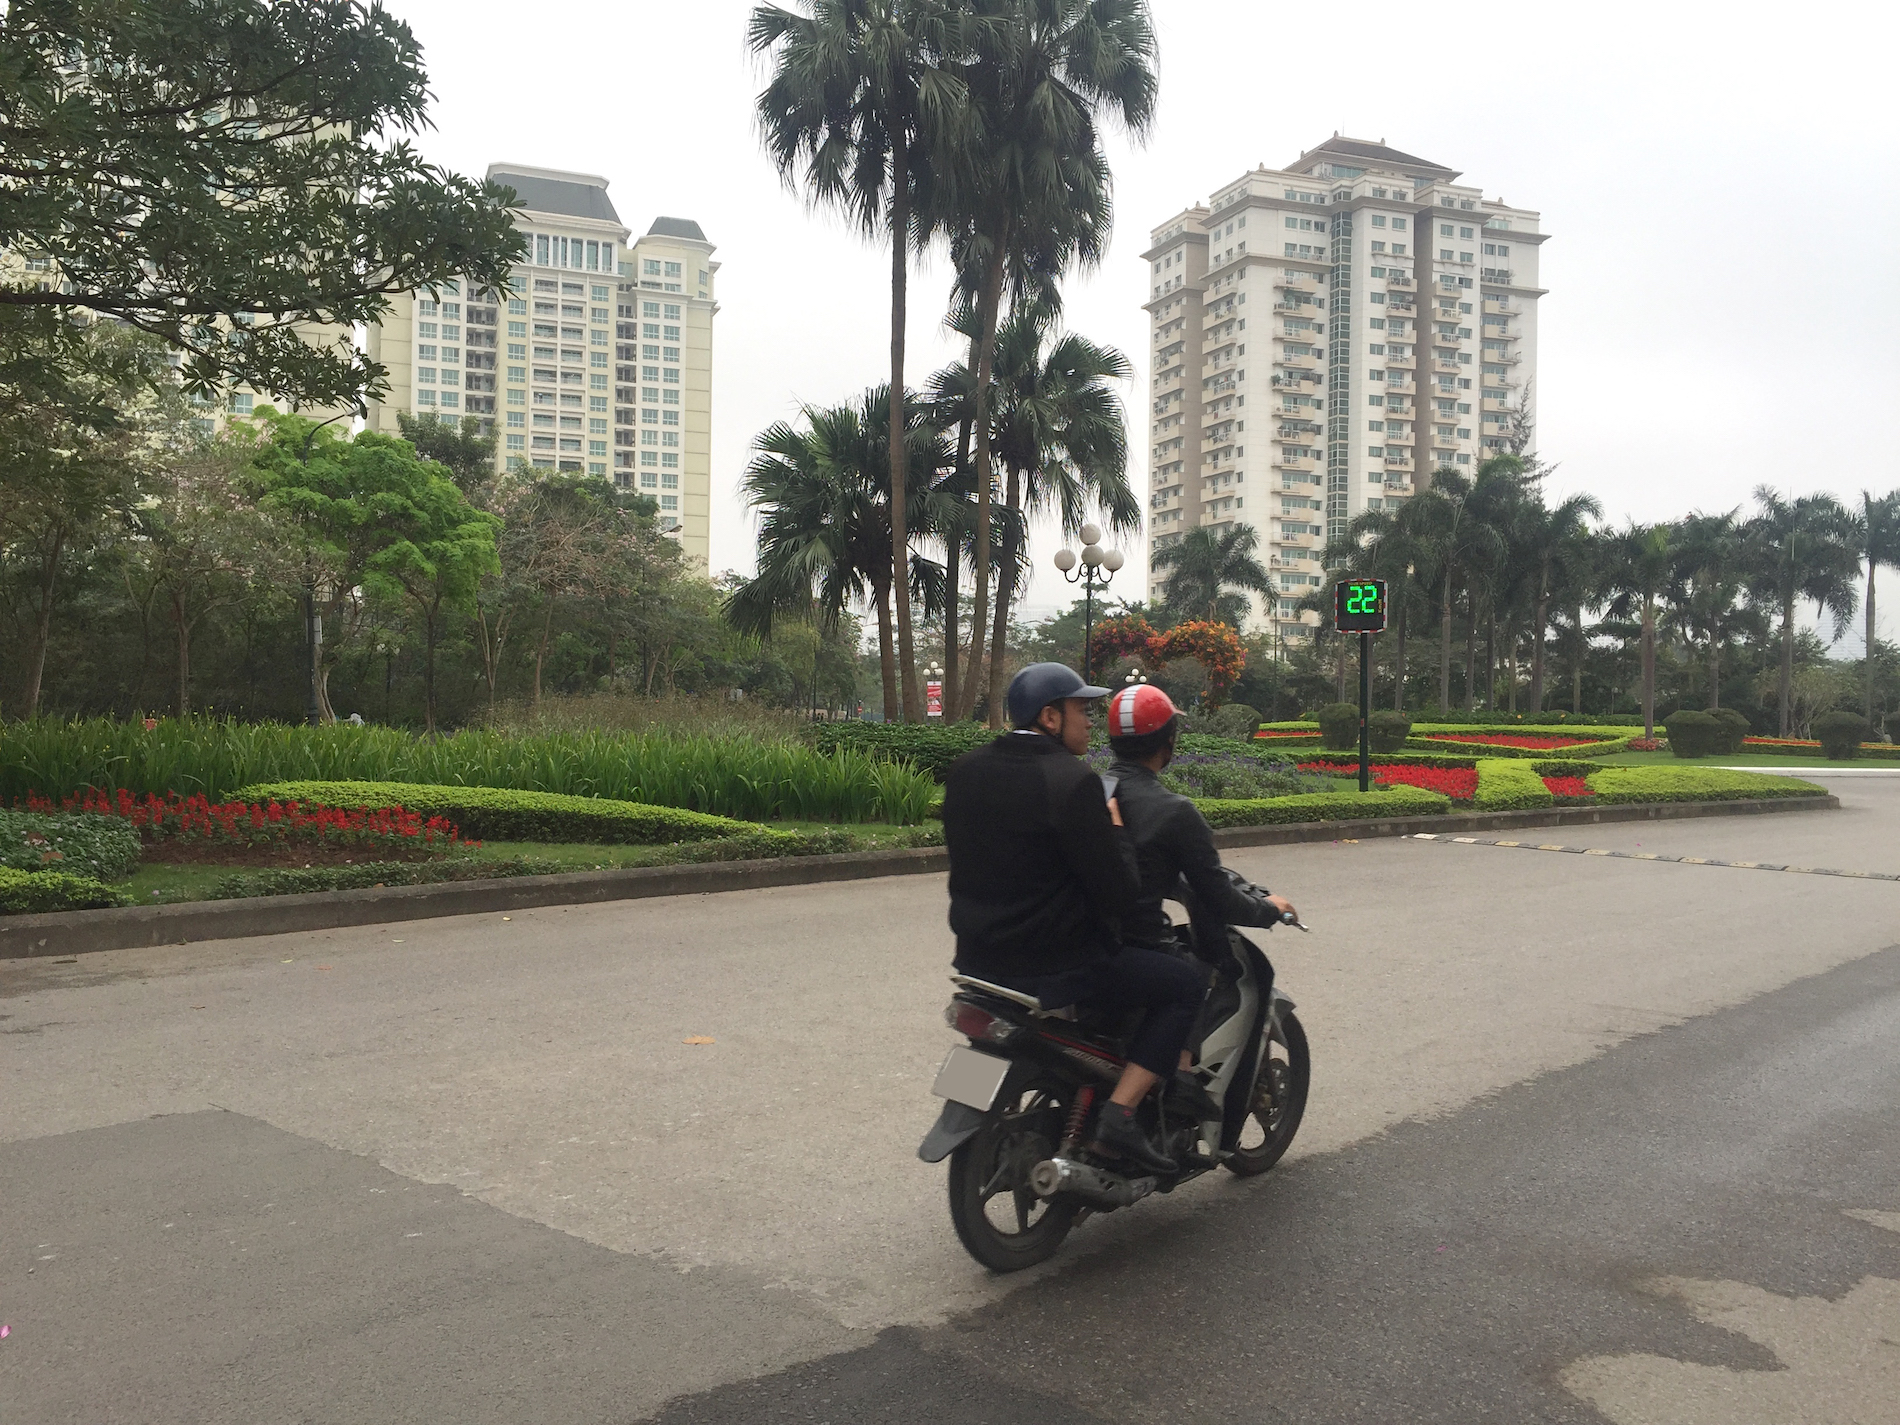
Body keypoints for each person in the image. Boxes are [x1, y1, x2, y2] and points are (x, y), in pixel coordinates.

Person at [941, 662, 1204, 1175]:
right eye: (1082, 710)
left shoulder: (966, 769)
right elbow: (1119, 890)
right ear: (1050, 717)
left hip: (977, 959)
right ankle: (1120, 1115)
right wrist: (1116, 830)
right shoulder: (1072, 781)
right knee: (1183, 984)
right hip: (1056, 966)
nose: (1090, 722)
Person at [1102, 682, 1296, 953]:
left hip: (1093, 943)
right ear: (1169, 740)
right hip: (1143, 949)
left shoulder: (1092, 790)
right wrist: (1268, 910)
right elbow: (1218, 898)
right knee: (1201, 977)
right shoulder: (1176, 811)